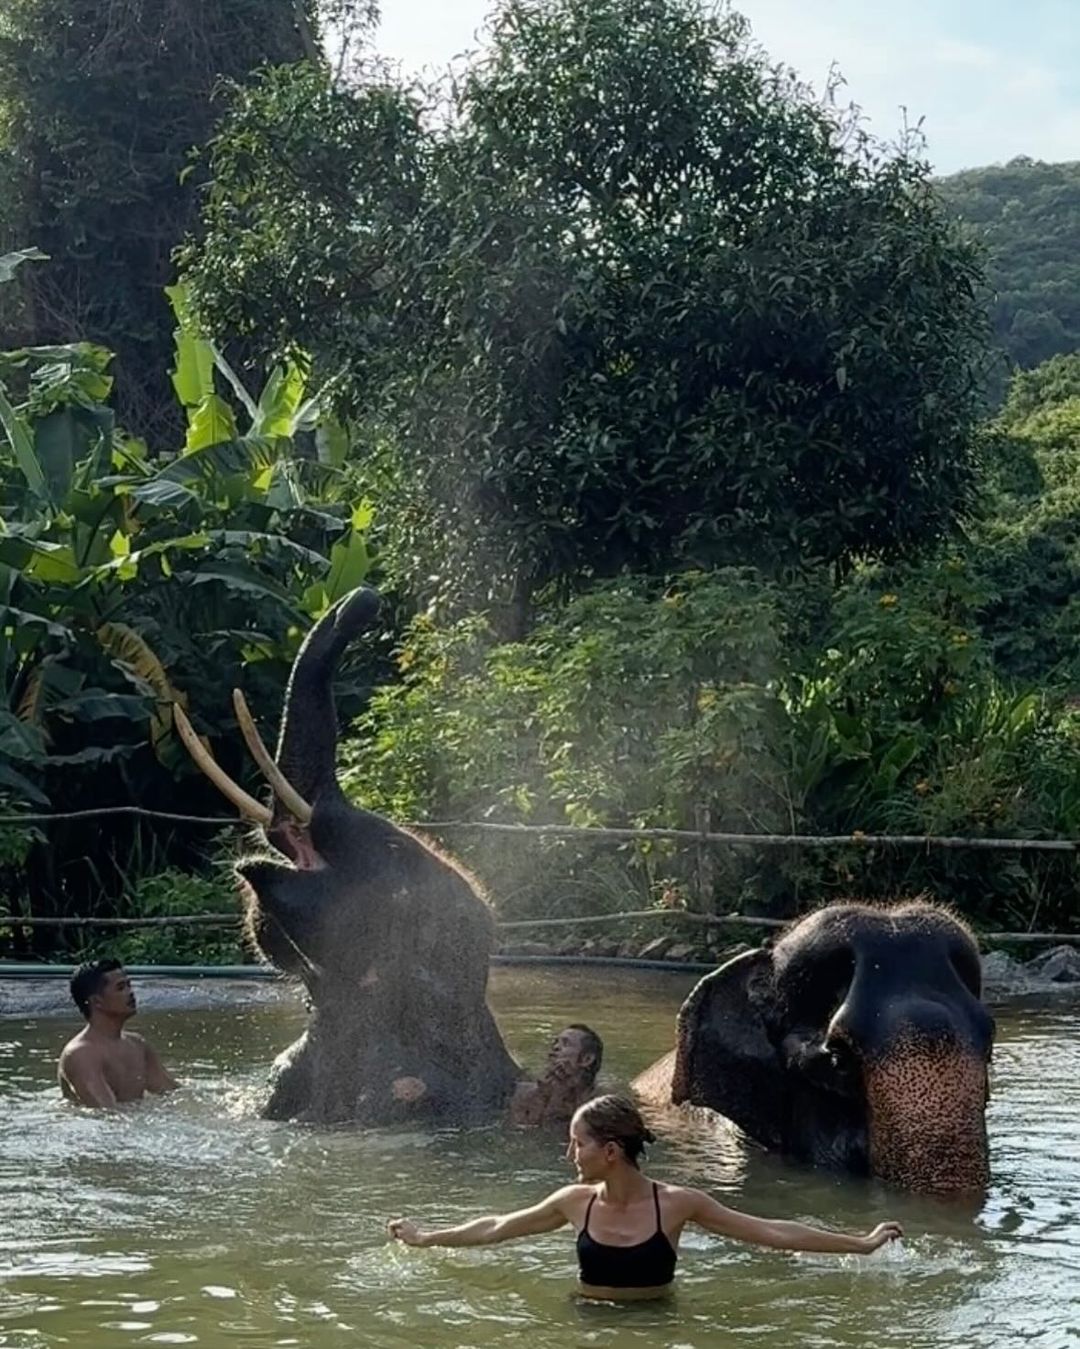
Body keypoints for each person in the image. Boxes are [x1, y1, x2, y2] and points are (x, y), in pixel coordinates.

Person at [388, 1094, 903, 1301]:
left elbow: (769, 1231)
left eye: (577, 1142)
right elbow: (498, 1227)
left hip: (657, 1327)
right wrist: (427, 1238)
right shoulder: (574, 1201)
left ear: (610, 1151)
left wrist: (859, 1244)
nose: (570, 1152)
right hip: (588, 1325)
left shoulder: (679, 1204)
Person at [58, 959, 178, 1108]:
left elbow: (173, 1094)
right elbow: (105, 1114)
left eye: (129, 985)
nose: (131, 993)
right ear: (97, 1002)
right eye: (121, 988)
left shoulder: (138, 1044)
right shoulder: (81, 1054)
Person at [507, 1023, 603, 1127]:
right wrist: (543, 1096)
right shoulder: (527, 1093)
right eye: (555, 1043)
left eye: (565, 1044)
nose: (556, 1047)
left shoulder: (599, 1105)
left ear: (587, 1059)